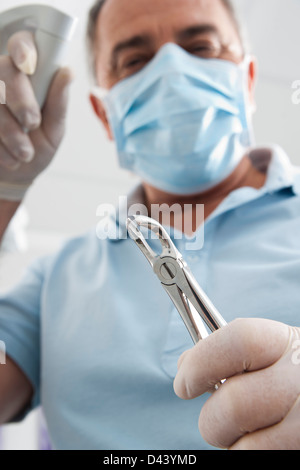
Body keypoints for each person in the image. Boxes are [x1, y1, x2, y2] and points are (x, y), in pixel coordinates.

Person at [0, 0, 299, 451]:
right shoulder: (54, 278)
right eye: (135, 60)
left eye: (200, 46)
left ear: (248, 82)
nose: (173, 72)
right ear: (105, 117)